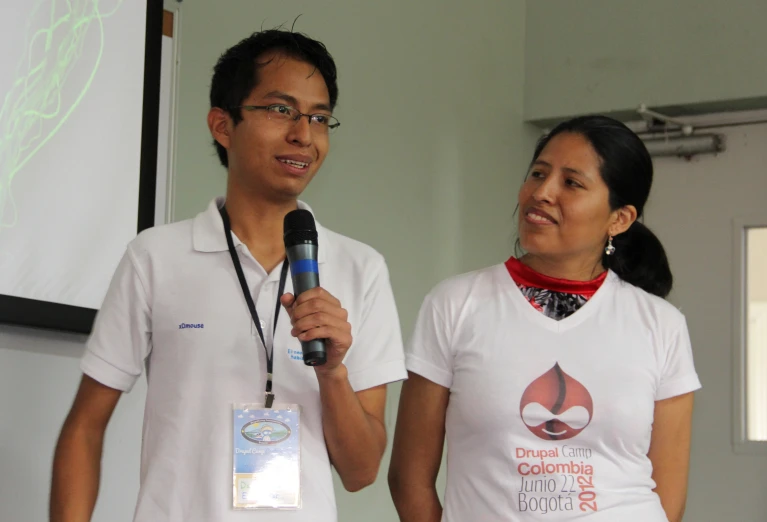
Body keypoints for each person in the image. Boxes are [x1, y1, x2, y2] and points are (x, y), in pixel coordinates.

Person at [50, 29, 407, 522]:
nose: (303, 134)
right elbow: (85, 427)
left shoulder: (360, 268)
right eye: (281, 110)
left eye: (319, 118)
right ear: (223, 124)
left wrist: (332, 372)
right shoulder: (156, 256)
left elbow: (361, 470)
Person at [388, 115, 701, 522]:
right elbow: (409, 478)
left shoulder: (661, 325)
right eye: (537, 173)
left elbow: (668, 496)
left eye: (571, 183)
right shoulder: (455, 304)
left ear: (619, 219)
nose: (542, 192)